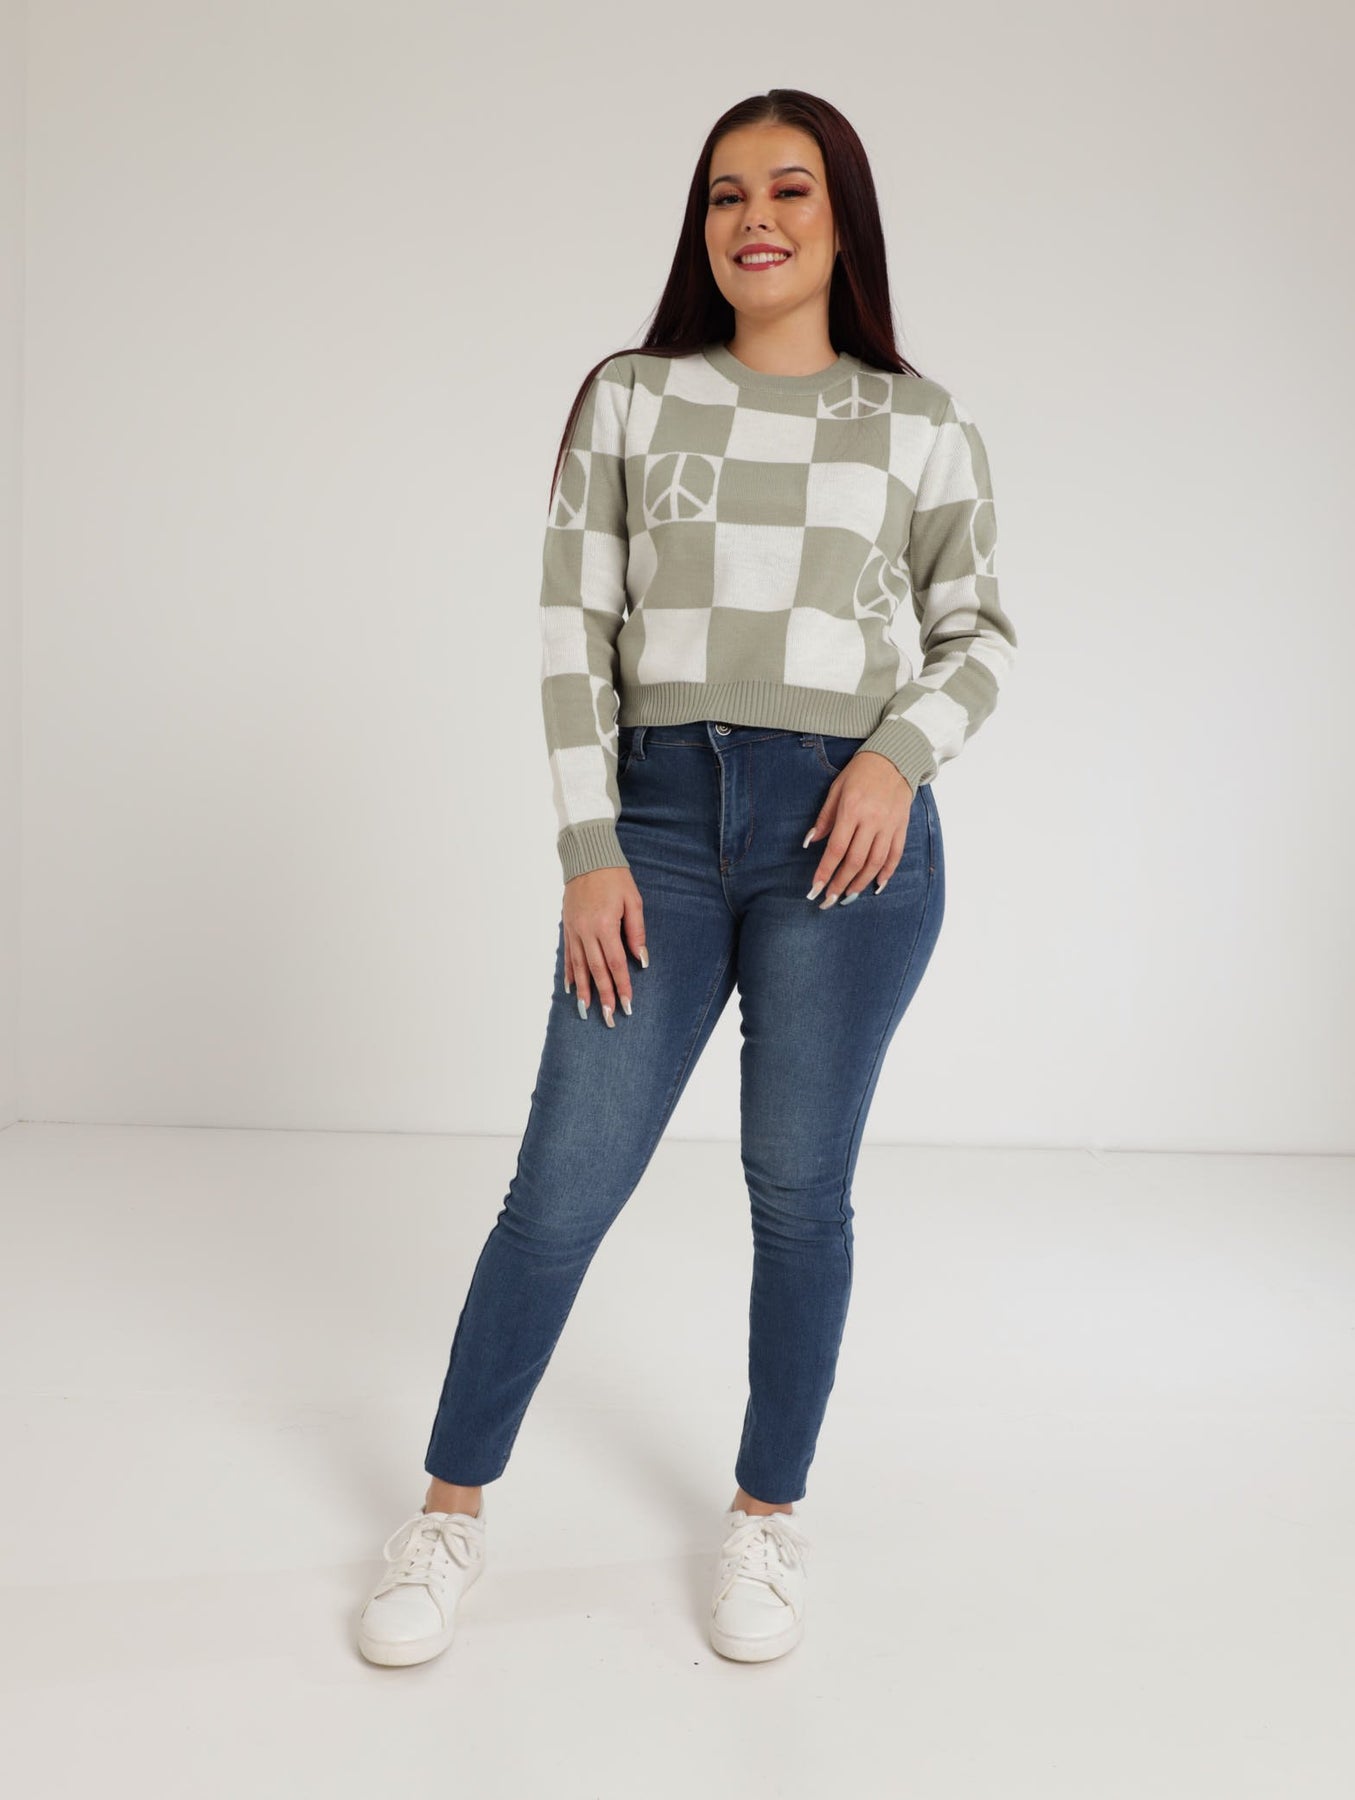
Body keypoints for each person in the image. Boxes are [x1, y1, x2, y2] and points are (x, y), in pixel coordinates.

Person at [357, 86, 1017, 1669]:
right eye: (726, 194)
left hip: (845, 838)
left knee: (798, 1192)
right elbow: (572, 630)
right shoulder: (632, 397)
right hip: (655, 826)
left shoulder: (918, 421)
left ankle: (767, 1517)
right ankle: (448, 1511)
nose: (754, 219)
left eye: (789, 190)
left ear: (843, 221)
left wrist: (894, 758)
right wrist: (590, 846)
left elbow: (979, 633)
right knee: (563, 1186)